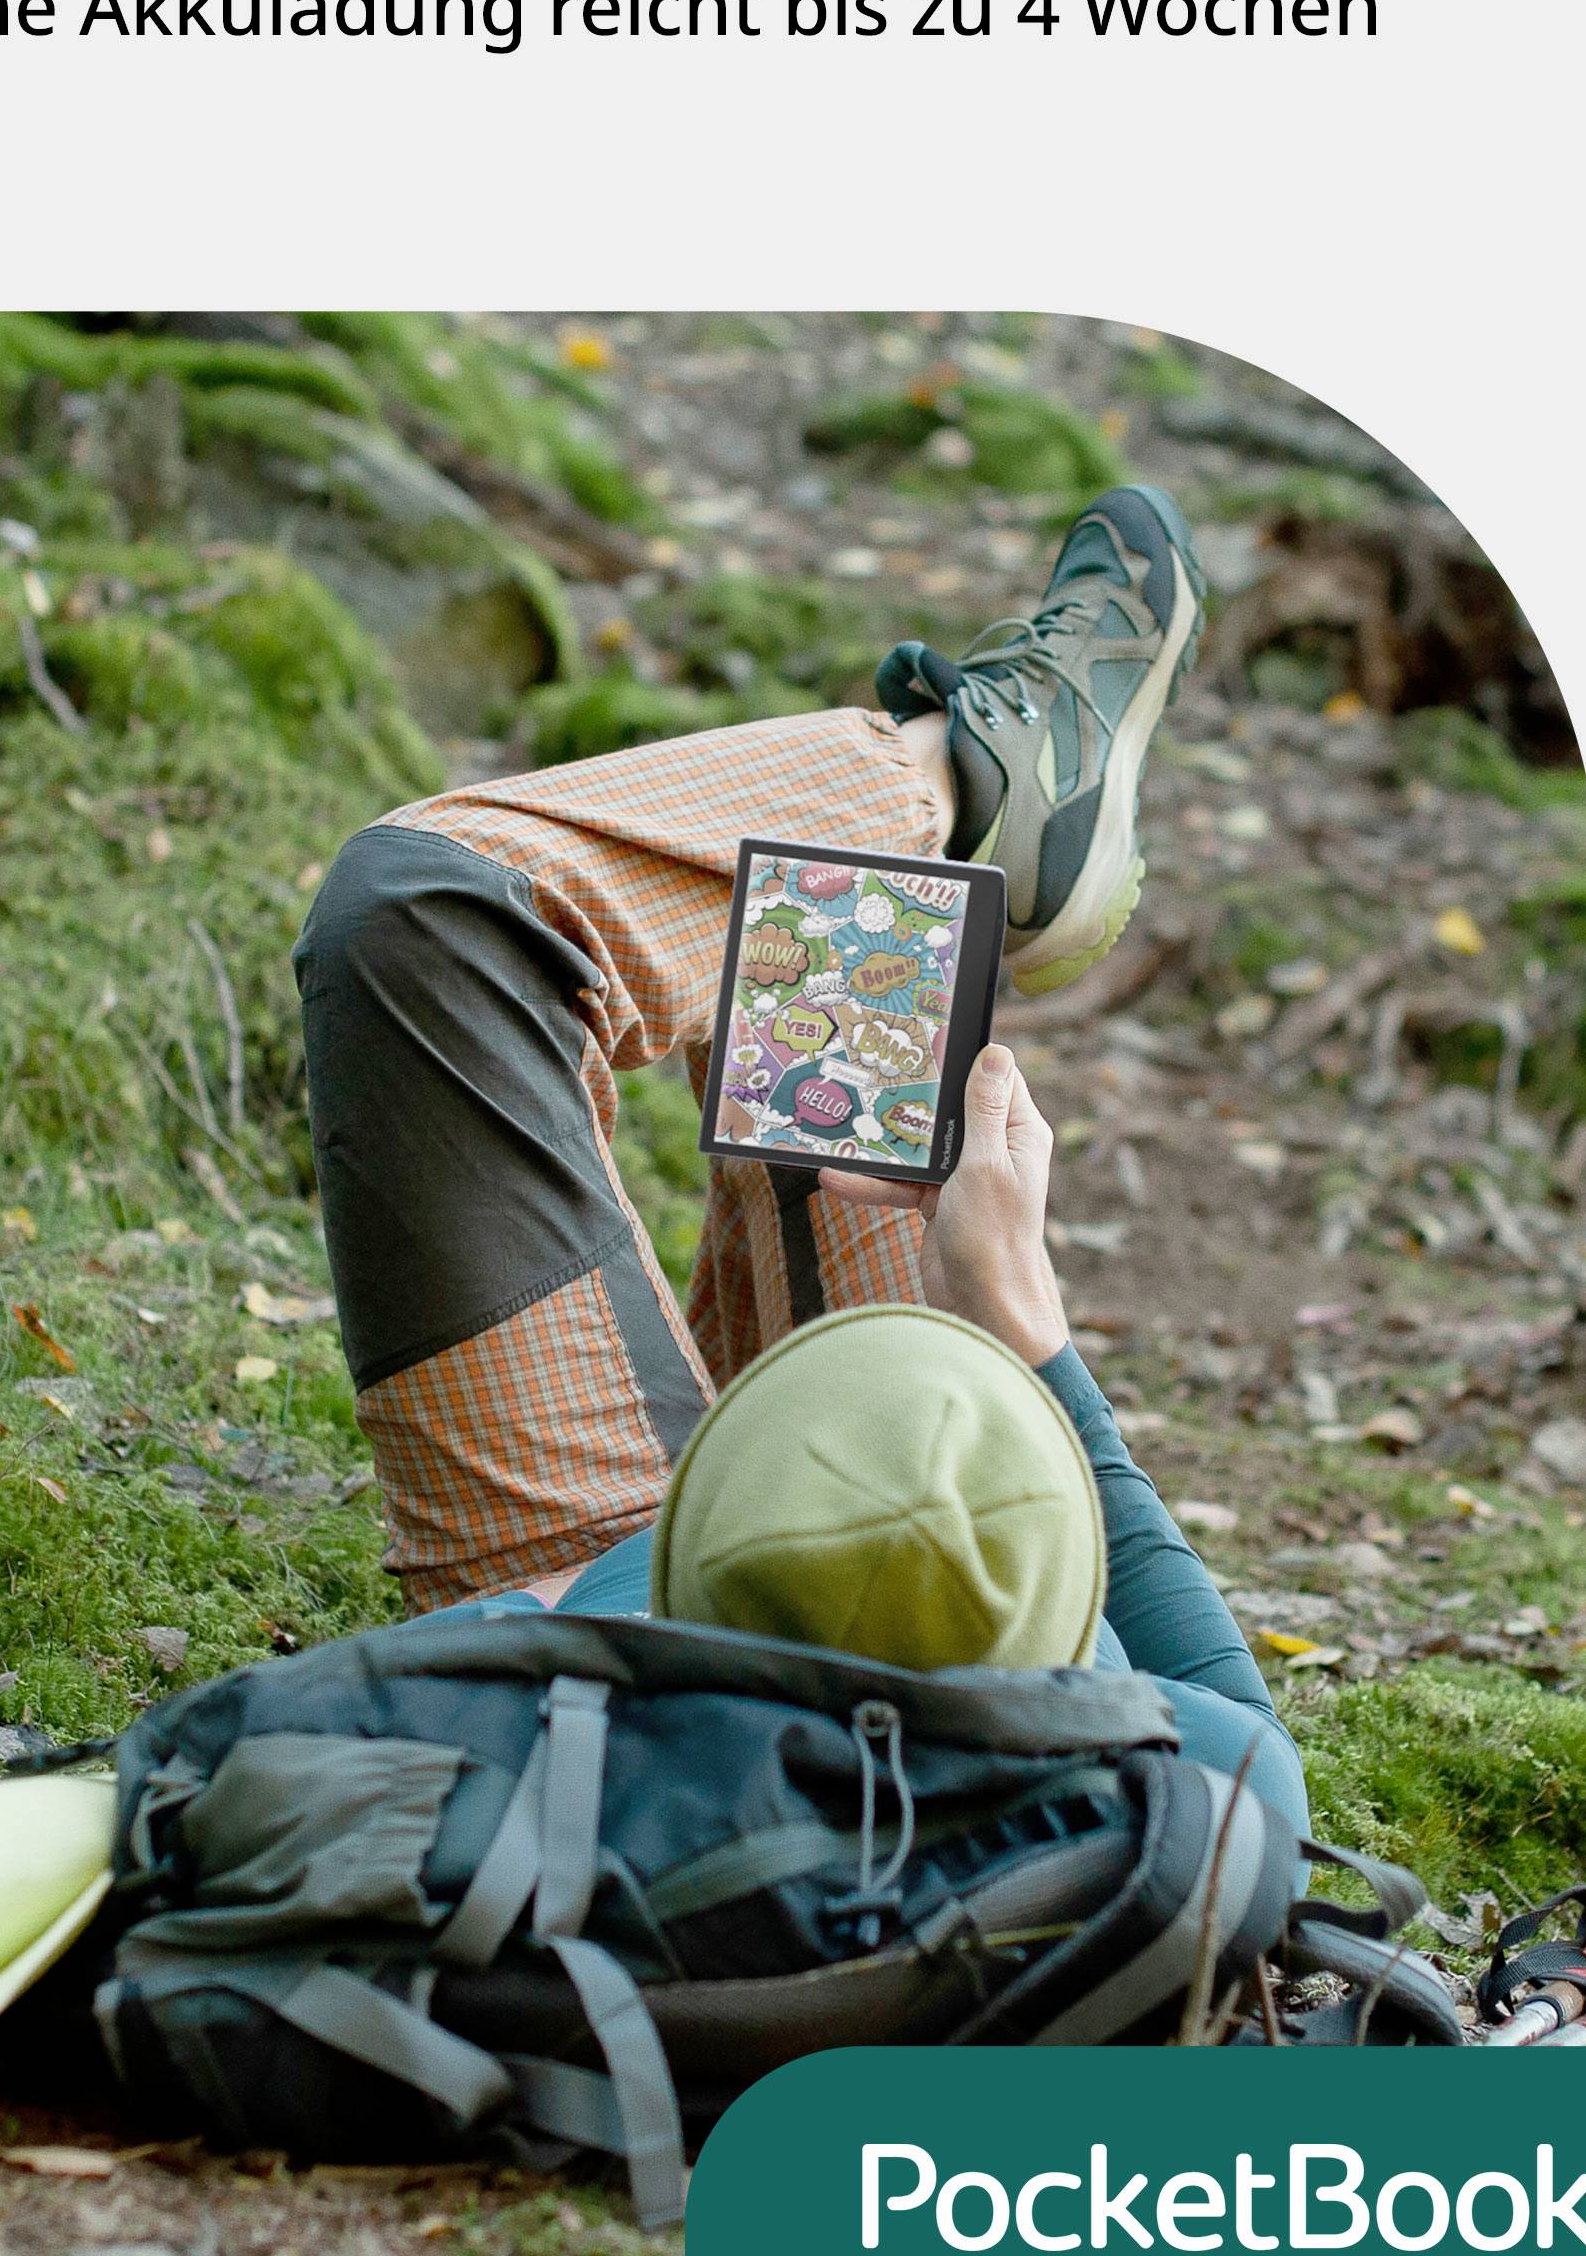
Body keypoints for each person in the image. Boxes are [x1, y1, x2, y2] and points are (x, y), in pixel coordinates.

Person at [294, 485, 1308, 1841]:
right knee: (836, 1031)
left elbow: (1262, 1793)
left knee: (428, 916)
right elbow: (1261, 1779)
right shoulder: (1134, 1846)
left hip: (598, 1655)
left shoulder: (1158, 1838)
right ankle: (965, 801)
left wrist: (1023, 1328)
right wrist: (1017, 1324)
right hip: (644, 1635)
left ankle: (953, 783)